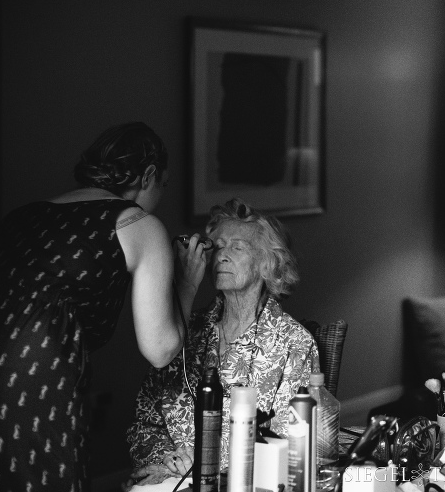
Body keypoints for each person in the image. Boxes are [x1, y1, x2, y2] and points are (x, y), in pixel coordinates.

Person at [0, 121, 206, 491]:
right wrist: (187, 286)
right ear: (147, 176)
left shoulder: (22, 216)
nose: (161, 193)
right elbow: (159, 350)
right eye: (163, 183)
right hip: (38, 385)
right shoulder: (138, 223)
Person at [127, 197, 320, 486]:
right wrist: (166, 458)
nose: (221, 256)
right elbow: (144, 422)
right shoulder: (182, 332)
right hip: (169, 480)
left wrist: (205, 460)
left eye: (237, 247)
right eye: (216, 247)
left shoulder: (294, 344)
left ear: (269, 262)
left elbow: (292, 444)